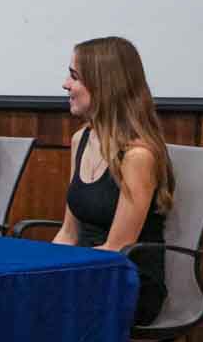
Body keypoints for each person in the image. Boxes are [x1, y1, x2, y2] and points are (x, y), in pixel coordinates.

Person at [53, 36, 174, 325]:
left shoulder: (138, 156)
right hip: (86, 270)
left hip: (125, 280)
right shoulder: (80, 139)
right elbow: (69, 233)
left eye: (74, 77)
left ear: (104, 85)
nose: (65, 85)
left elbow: (118, 248)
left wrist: (58, 277)